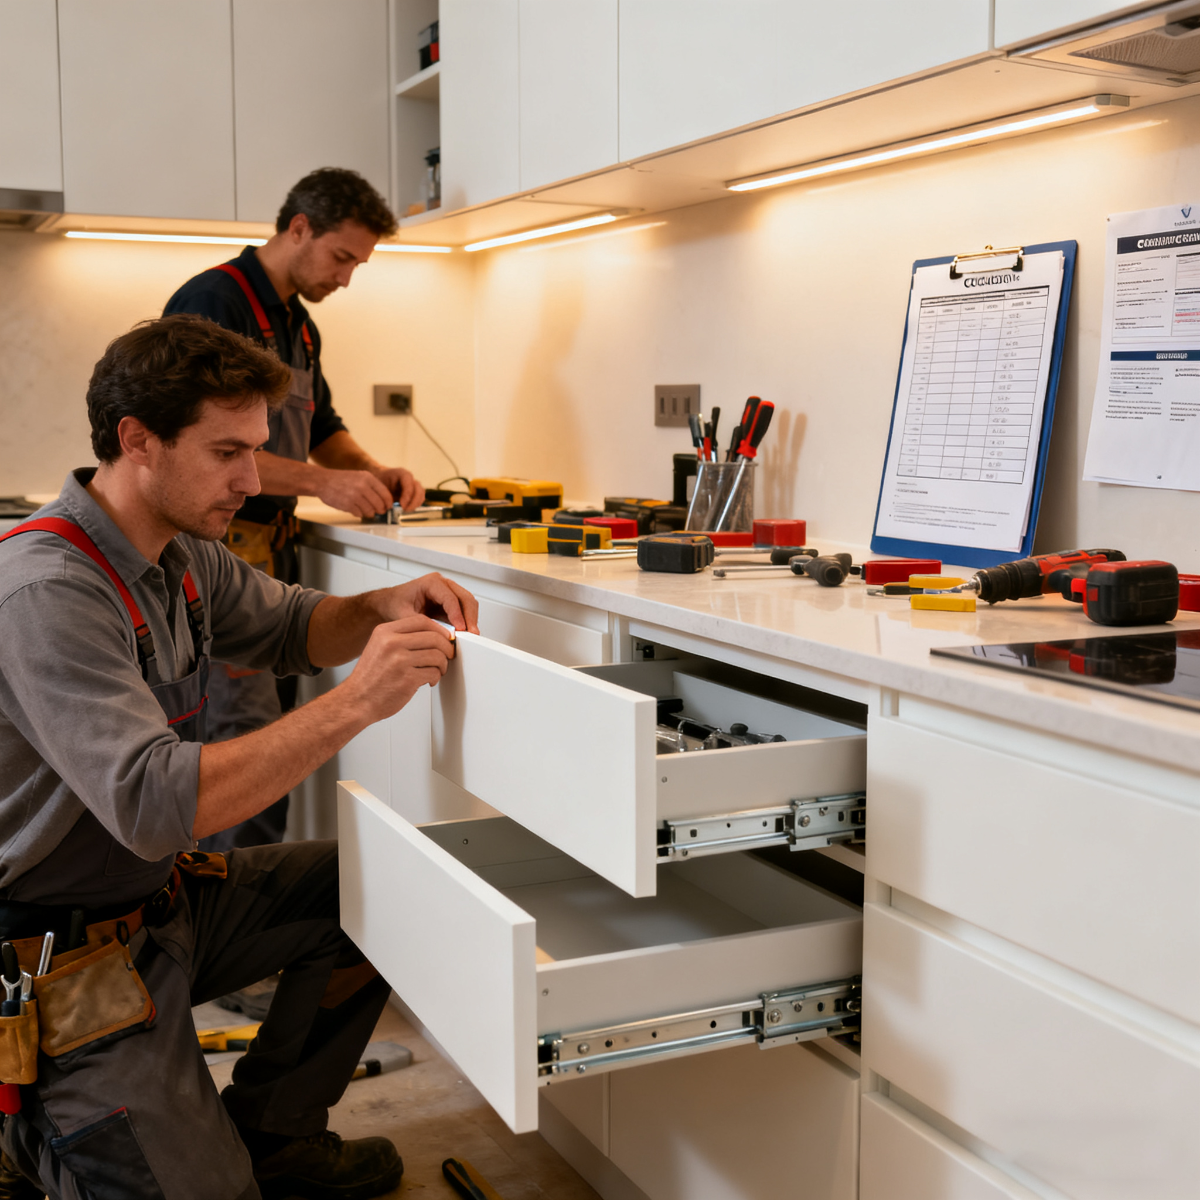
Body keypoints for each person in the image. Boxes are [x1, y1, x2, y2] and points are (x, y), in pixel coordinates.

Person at [0, 314, 479, 1200]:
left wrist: (382, 604)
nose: (253, 481)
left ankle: (277, 1137)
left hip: (156, 908)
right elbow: (151, 801)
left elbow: (294, 625)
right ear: (136, 441)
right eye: (228, 452)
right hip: (57, 962)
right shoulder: (46, 593)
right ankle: (35, 1135)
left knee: (386, 886)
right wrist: (358, 702)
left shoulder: (180, 555)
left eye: (256, 450)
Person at [164, 167, 425, 852]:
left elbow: (323, 427)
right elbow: (199, 446)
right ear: (299, 227)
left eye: (358, 265)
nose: (346, 278)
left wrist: (373, 473)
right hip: (222, 552)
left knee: (272, 743)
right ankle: (224, 932)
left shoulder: (299, 328)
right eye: (342, 257)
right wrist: (321, 483)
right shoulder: (213, 302)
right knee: (244, 746)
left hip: (270, 552)